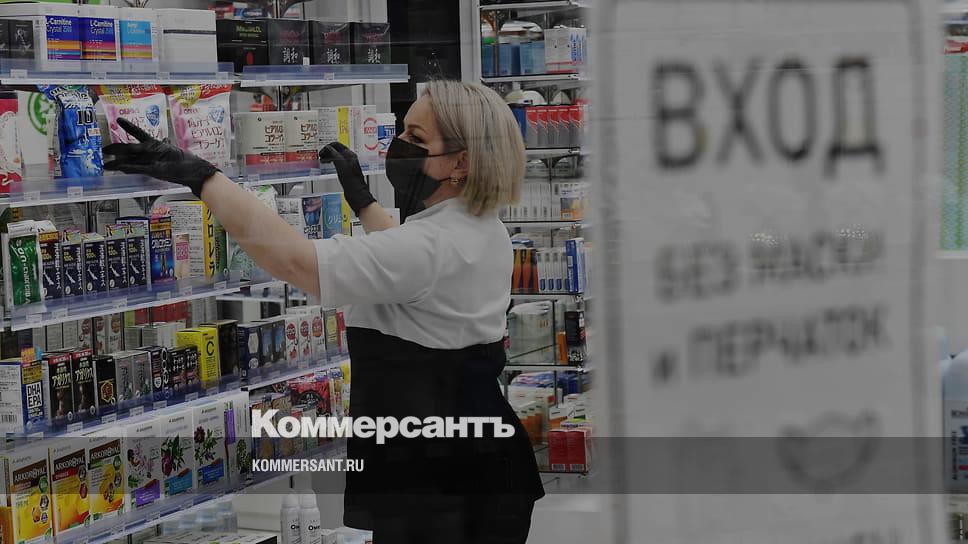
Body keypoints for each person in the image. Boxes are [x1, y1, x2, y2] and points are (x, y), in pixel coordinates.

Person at [104, 80, 544, 543]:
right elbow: (409, 265)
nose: (399, 145)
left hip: (443, 482)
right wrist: (363, 202)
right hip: (480, 459)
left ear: (461, 162)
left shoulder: (433, 245)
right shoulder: (482, 229)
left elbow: (296, 262)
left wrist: (204, 177)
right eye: (403, 131)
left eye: (416, 138)